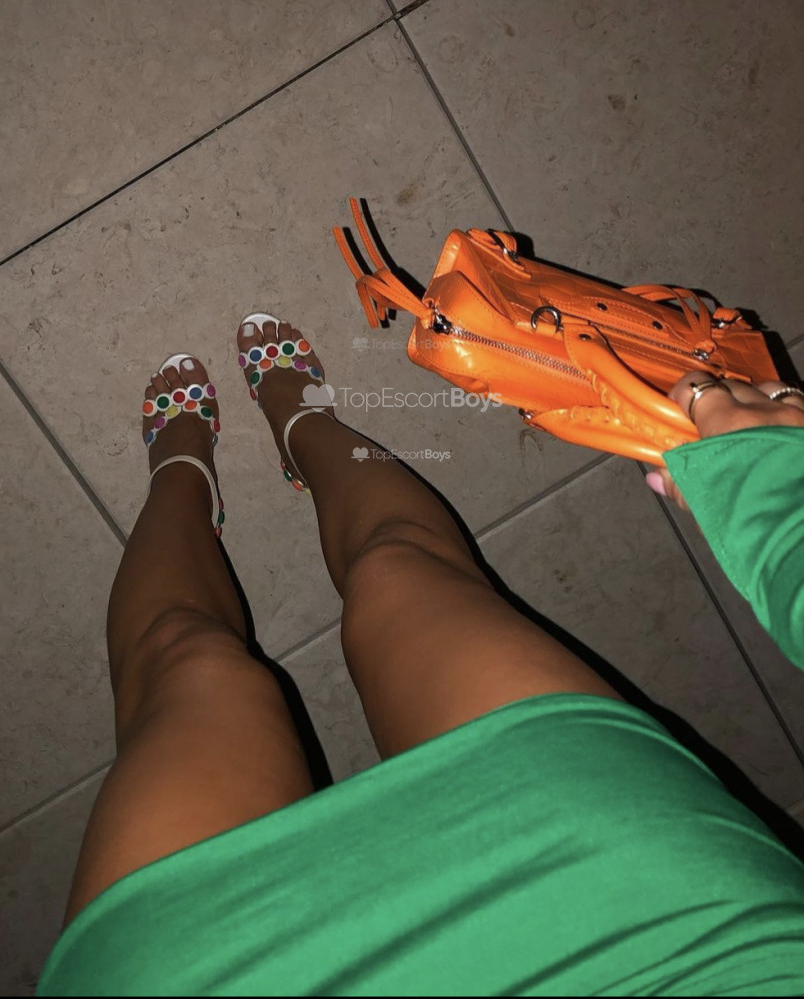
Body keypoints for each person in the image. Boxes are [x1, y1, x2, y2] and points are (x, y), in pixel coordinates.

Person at [37, 314, 804, 996]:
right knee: (400, 566)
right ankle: (299, 424)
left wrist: (773, 477)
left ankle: (184, 471)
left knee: (182, 659)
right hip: (641, 921)